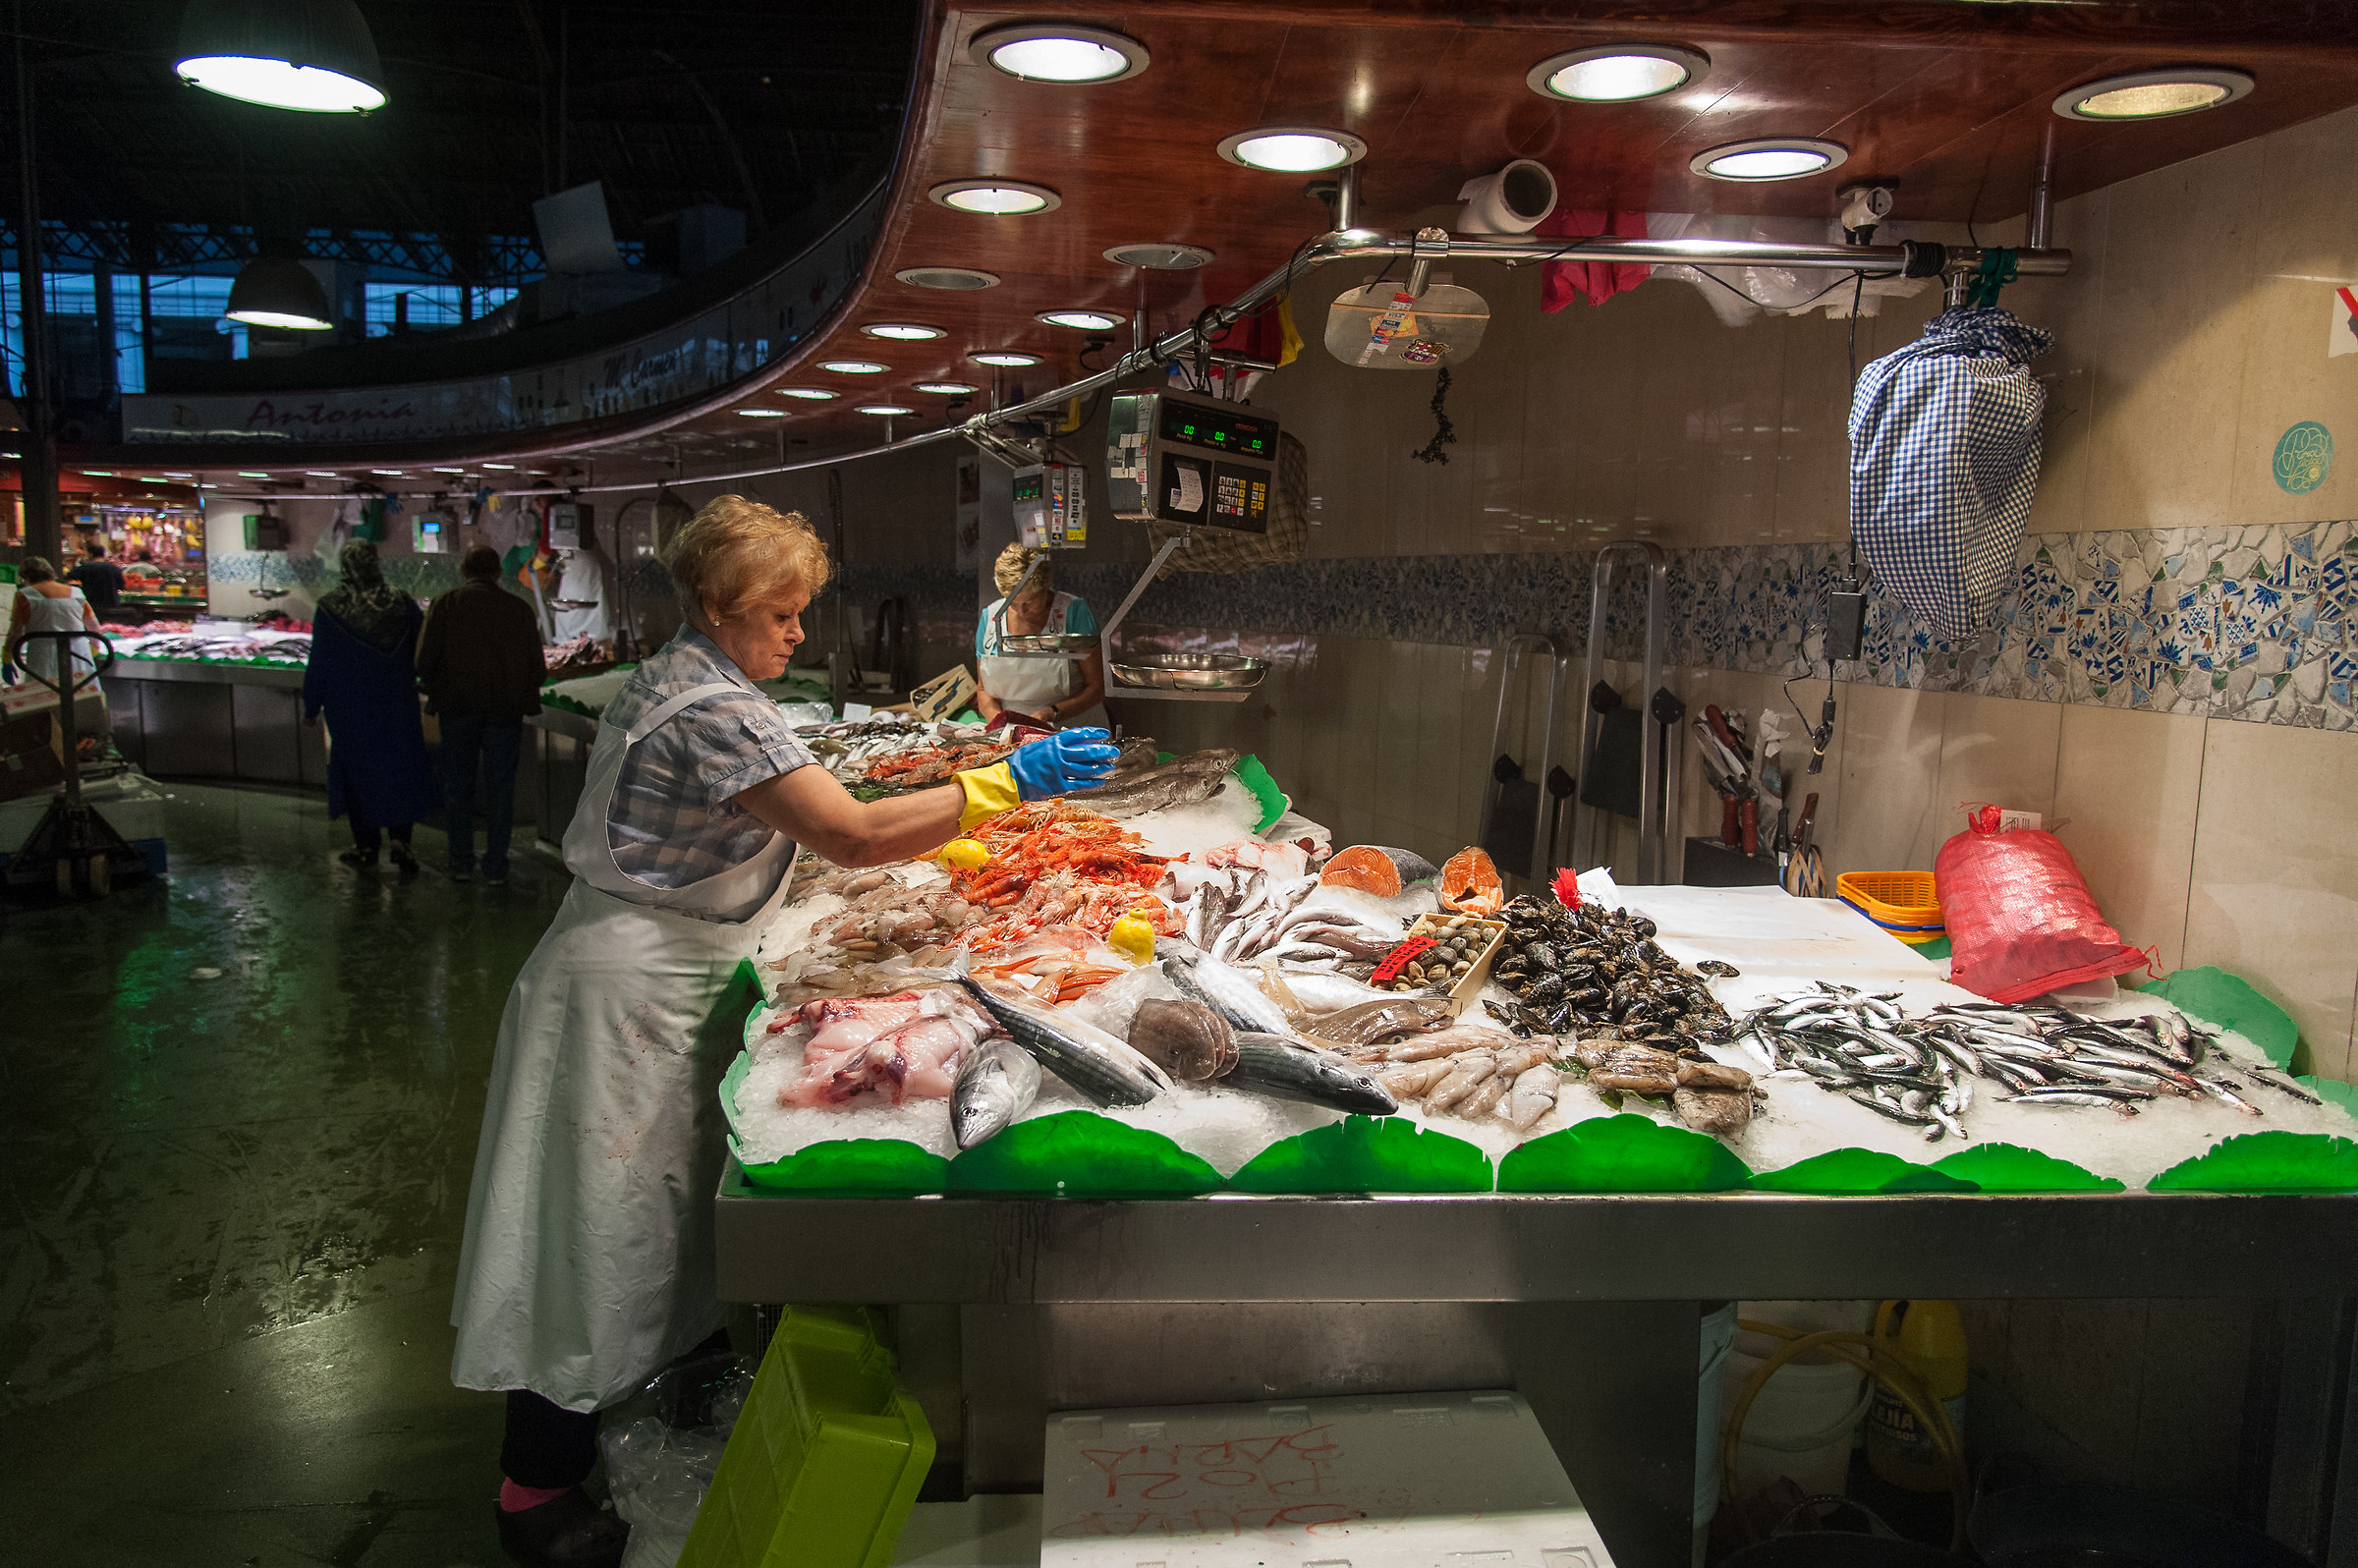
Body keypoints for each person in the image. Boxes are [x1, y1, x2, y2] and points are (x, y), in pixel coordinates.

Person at [449, 495, 1114, 1568]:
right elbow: (847, 833)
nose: (798, 633)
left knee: (657, 1230)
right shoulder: (711, 703)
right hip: (630, 995)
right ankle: (535, 1488)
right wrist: (1005, 783)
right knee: (594, 1232)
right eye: (780, 614)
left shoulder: (698, 675)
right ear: (718, 606)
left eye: (803, 612)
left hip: (663, 974)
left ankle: (645, 1415)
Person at [304, 539, 439, 875]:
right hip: (396, 704)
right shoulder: (400, 602)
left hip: (349, 710)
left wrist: (311, 705)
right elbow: (422, 651)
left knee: (357, 774)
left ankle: (366, 846)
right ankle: (401, 842)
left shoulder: (330, 608)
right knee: (399, 769)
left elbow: (319, 661)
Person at [419, 545, 546, 884]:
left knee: (458, 786)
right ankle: (496, 866)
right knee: (500, 789)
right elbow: (538, 666)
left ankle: (460, 863)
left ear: (464, 570)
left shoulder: (445, 604)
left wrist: (438, 690)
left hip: (457, 710)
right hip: (504, 712)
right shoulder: (518, 608)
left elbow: (424, 661)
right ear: (497, 573)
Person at [973, 542, 1109, 729]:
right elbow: (982, 689)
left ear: (1046, 585)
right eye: (1012, 604)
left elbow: (1096, 689)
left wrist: (1051, 712)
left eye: (1029, 602)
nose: (1022, 611)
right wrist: (1001, 725)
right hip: (1010, 733)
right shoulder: (990, 618)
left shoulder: (1073, 611)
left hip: (1074, 730)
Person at [6, 556, 101, 692]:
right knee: (82, 697)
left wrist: (7, 658)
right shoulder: (76, 593)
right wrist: (94, 648)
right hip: (78, 652)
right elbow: (93, 626)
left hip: (43, 655)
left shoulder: (24, 595)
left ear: (26, 577)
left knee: (44, 699)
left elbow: (14, 633)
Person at [65, 541, 125, 614]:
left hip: (92, 608)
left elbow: (68, 577)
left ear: (91, 554)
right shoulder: (115, 569)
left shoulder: (84, 568)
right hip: (113, 608)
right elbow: (122, 586)